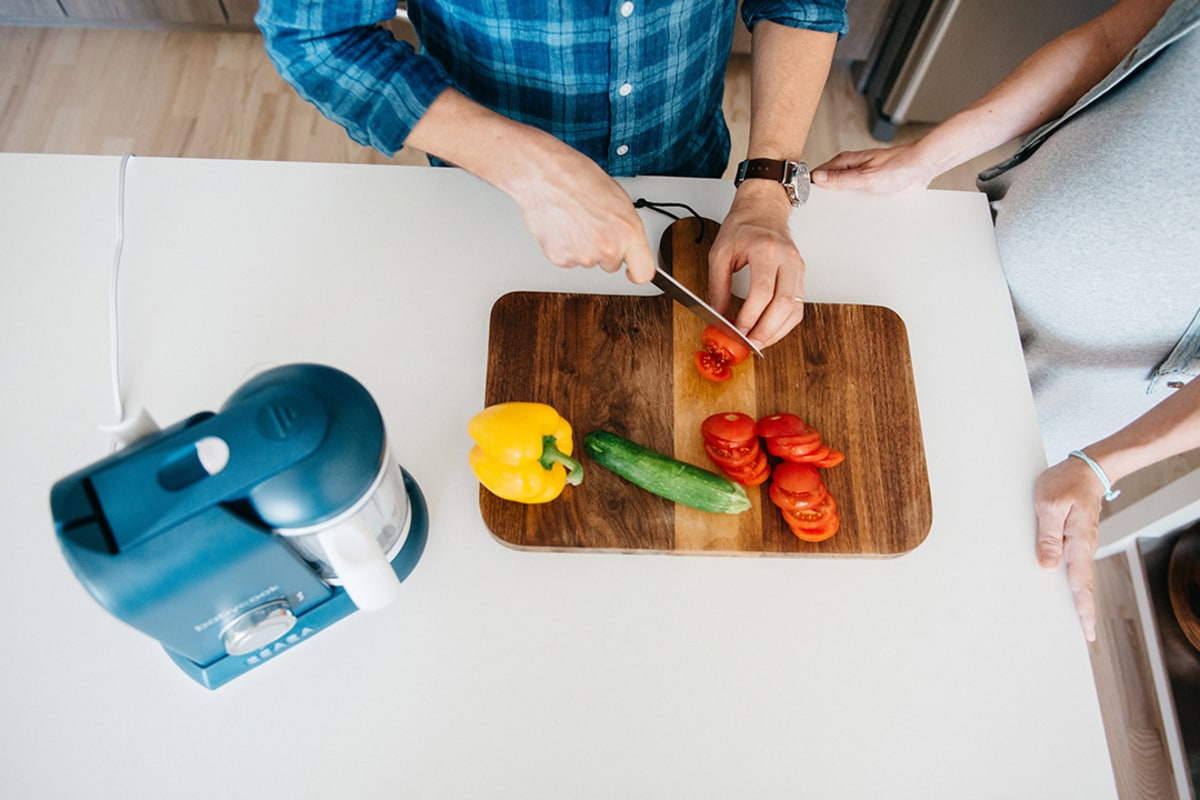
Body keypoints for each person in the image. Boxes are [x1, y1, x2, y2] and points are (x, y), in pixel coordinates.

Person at [811, 0, 1200, 640]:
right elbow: (1105, 43)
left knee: (908, 558)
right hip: (972, 251)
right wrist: (928, 156)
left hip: (1067, 399)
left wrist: (1103, 467)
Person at [256, 0, 847, 350]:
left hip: (687, 166)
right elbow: (310, 33)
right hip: (488, 197)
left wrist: (768, 186)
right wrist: (527, 168)